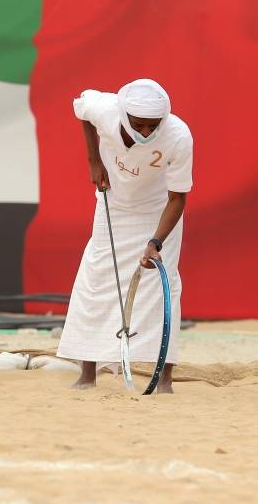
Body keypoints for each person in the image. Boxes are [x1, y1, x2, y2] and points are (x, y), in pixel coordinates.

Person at [57, 78, 193, 393]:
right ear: (124, 116)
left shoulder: (178, 136)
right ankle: (87, 372)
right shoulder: (104, 109)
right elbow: (82, 112)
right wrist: (94, 161)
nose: (146, 132)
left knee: (164, 286)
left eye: (153, 126)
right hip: (113, 205)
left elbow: (178, 199)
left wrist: (155, 242)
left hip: (159, 214)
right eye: (139, 125)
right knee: (96, 281)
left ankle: (164, 378)